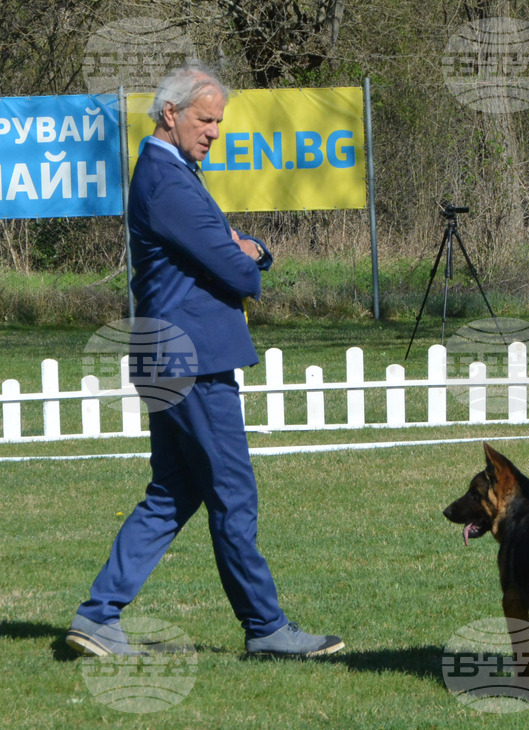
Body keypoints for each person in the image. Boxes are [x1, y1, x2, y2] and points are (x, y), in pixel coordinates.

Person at [66, 65, 343, 658]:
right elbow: (236, 265)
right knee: (233, 495)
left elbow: (231, 247)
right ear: (170, 114)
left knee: (171, 492)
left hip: (169, 356)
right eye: (205, 118)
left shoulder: (172, 175)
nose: (214, 130)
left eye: (219, 119)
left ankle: (98, 614)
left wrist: (248, 248)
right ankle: (266, 628)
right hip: (191, 362)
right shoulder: (167, 181)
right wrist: (249, 254)